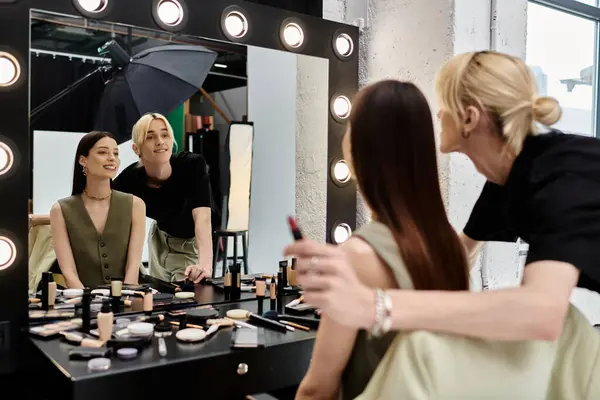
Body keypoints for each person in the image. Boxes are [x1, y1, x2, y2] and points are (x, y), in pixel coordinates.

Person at [285, 51, 600, 397]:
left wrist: (375, 305)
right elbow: (457, 255)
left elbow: (542, 312)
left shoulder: (565, 175)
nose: (438, 114)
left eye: (443, 105)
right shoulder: (503, 183)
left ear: (469, 117)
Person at [294, 80, 470, 399]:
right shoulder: (452, 246)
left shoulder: (356, 256)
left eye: (350, 126)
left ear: (361, 147)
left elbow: (317, 389)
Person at [113, 113, 213, 283]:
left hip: (190, 244)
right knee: (160, 300)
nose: (160, 141)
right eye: (150, 137)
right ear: (136, 149)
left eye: (165, 134)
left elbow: (202, 218)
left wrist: (205, 265)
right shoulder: (129, 179)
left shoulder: (192, 165)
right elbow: (96, 201)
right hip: (158, 240)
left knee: (188, 301)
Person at [50, 131, 145, 289]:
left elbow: (133, 267)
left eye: (115, 153)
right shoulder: (60, 210)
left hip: (127, 298)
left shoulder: (136, 205)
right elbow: (69, 273)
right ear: (83, 160)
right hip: (81, 301)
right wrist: (87, 302)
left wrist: (124, 298)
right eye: (102, 152)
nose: (111, 158)